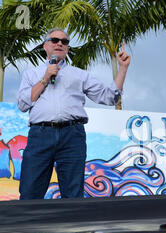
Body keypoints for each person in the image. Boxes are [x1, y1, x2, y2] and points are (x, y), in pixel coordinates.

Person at [17, 28, 130, 199]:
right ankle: (27, 227)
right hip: (40, 135)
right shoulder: (31, 74)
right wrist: (45, 78)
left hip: (72, 136)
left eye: (65, 41)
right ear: (45, 46)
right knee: (29, 192)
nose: (60, 43)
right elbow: (23, 103)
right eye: (55, 40)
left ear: (67, 48)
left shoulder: (80, 75)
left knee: (73, 195)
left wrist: (123, 69)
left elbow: (109, 98)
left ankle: (70, 226)